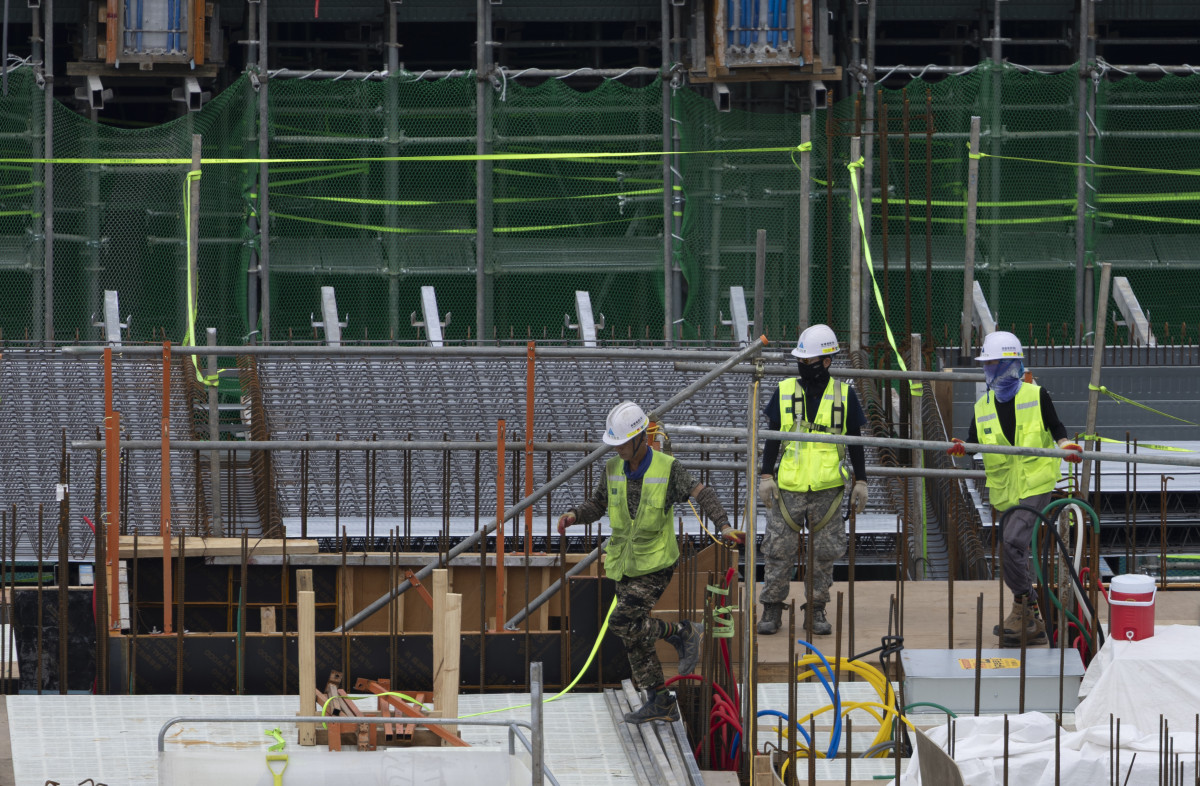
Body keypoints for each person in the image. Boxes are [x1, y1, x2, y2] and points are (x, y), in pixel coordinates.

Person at [556, 401, 742, 724]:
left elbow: (702, 493)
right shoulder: (613, 469)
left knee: (621, 621)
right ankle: (660, 699)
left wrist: (724, 526)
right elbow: (598, 504)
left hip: (655, 565)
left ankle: (682, 632)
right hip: (625, 565)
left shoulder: (668, 469)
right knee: (633, 634)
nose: (617, 449)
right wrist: (574, 515)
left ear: (641, 437)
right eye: (614, 444)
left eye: (623, 443)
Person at [947, 330, 1081, 646]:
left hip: (1036, 483)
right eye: (987, 364)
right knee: (1011, 549)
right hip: (1007, 489)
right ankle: (1027, 610)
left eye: (994, 363)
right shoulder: (983, 406)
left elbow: (1056, 428)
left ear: (1012, 364)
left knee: (1011, 541)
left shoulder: (1036, 395)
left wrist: (1066, 445)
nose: (989, 369)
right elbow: (975, 442)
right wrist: (963, 448)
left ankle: (1025, 604)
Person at [757, 324, 868, 637]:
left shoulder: (845, 394)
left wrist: (861, 481)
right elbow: (773, 438)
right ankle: (772, 610)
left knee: (823, 556)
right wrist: (766, 476)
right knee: (777, 551)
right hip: (787, 489)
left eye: (809, 361)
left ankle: (816, 611)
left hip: (828, 492)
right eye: (801, 361)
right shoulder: (785, 390)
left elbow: (856, 441)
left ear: (827, 361)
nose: (803, 367)